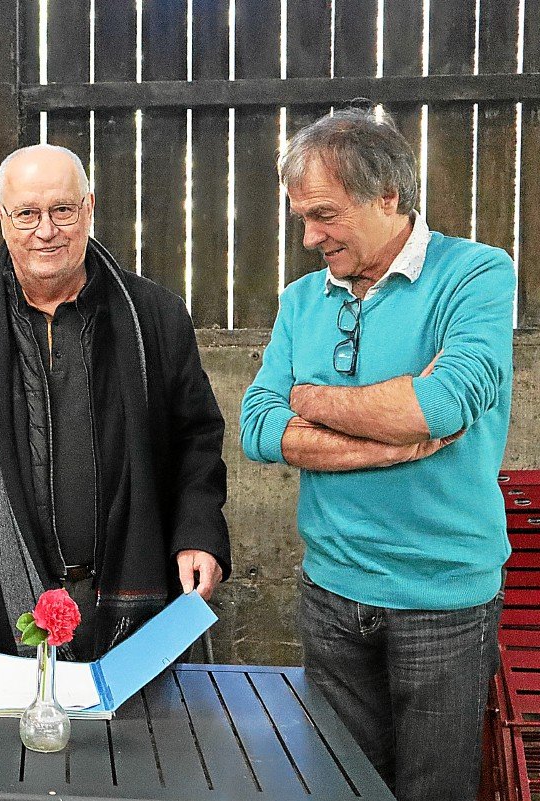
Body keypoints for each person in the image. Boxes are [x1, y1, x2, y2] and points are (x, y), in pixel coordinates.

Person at [239, 108, 512, 801]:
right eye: (301, 216)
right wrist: (383, 445)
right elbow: (255, 427)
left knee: (435, 791)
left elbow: (440, 406)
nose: (308, 237)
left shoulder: (475, 275)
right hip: (330, 592)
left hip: (442, 598)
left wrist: (308, 398)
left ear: (388, 196)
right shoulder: (302, 299)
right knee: (338, 787)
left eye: (324, 214)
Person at [0, 143, 230, 663]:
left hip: (136, 588)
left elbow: (196, 436)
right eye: (27, 213)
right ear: (2, 218)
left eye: (62, 210)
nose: (46, 230)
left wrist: (199, 532)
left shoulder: (156, 316)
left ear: (89, 208)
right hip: (0, 599)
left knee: (143, 742)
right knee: (10, 745)